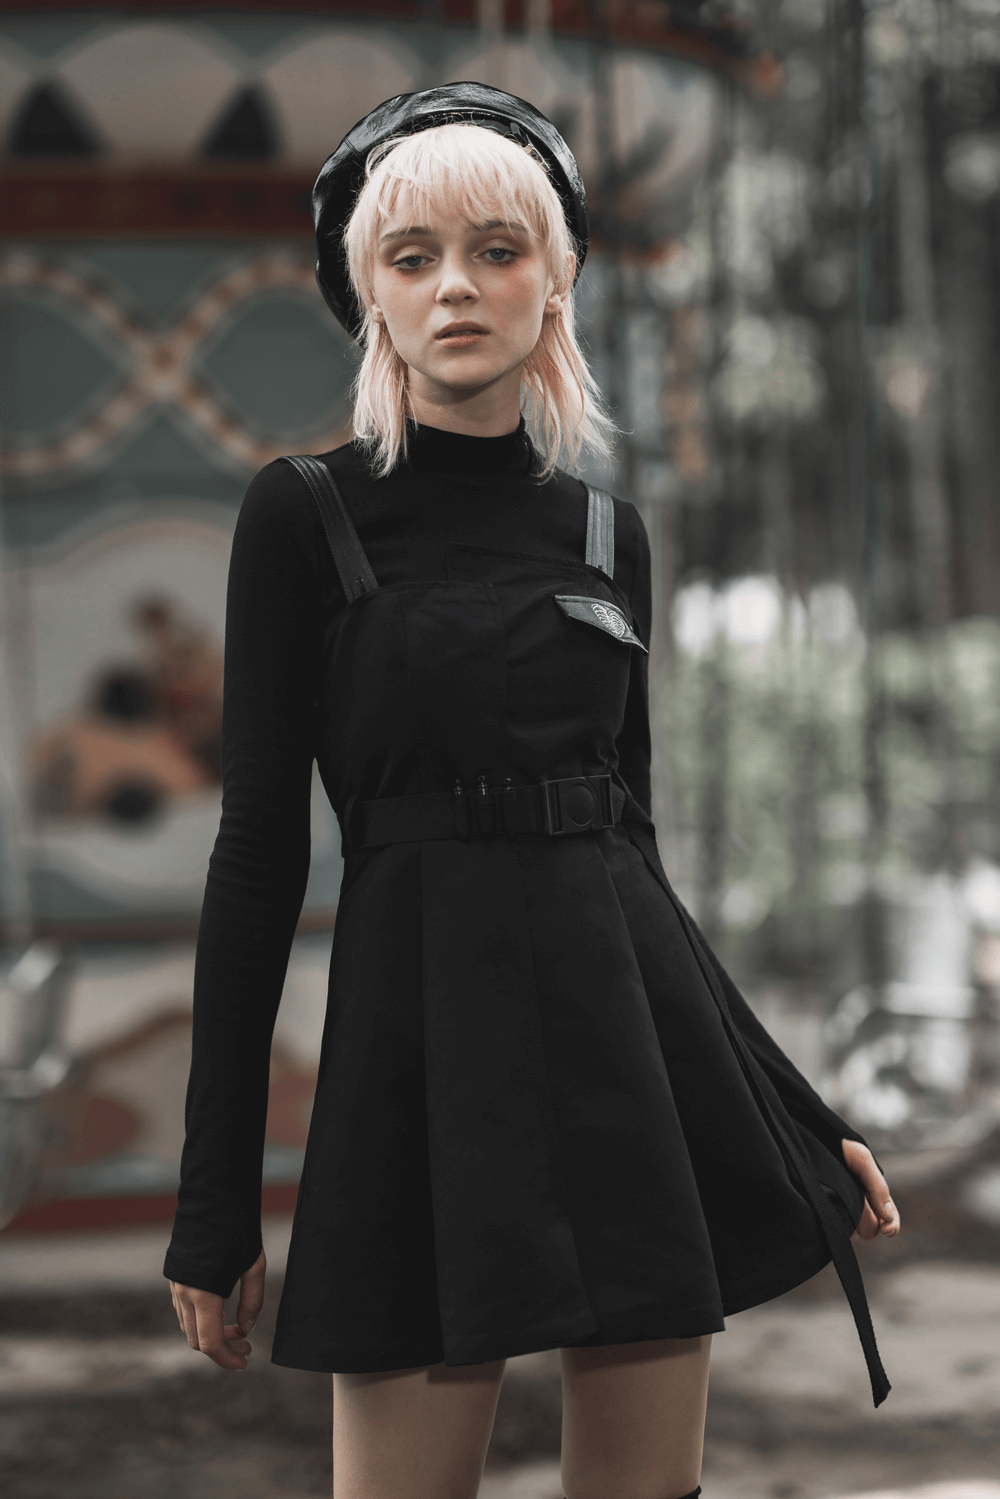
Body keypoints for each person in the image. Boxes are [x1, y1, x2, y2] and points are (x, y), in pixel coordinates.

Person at [164, 85, 900, 1499]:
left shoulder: (604, 532)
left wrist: (795, 1103)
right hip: (415, 1062)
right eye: (415, 254)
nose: (458, 287)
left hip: (628, 1055)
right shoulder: (301, 516)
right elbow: (256, 853)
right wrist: (216, 1204)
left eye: (500, 249)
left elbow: (638, 852)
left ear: (557, 276)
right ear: (367, 290)